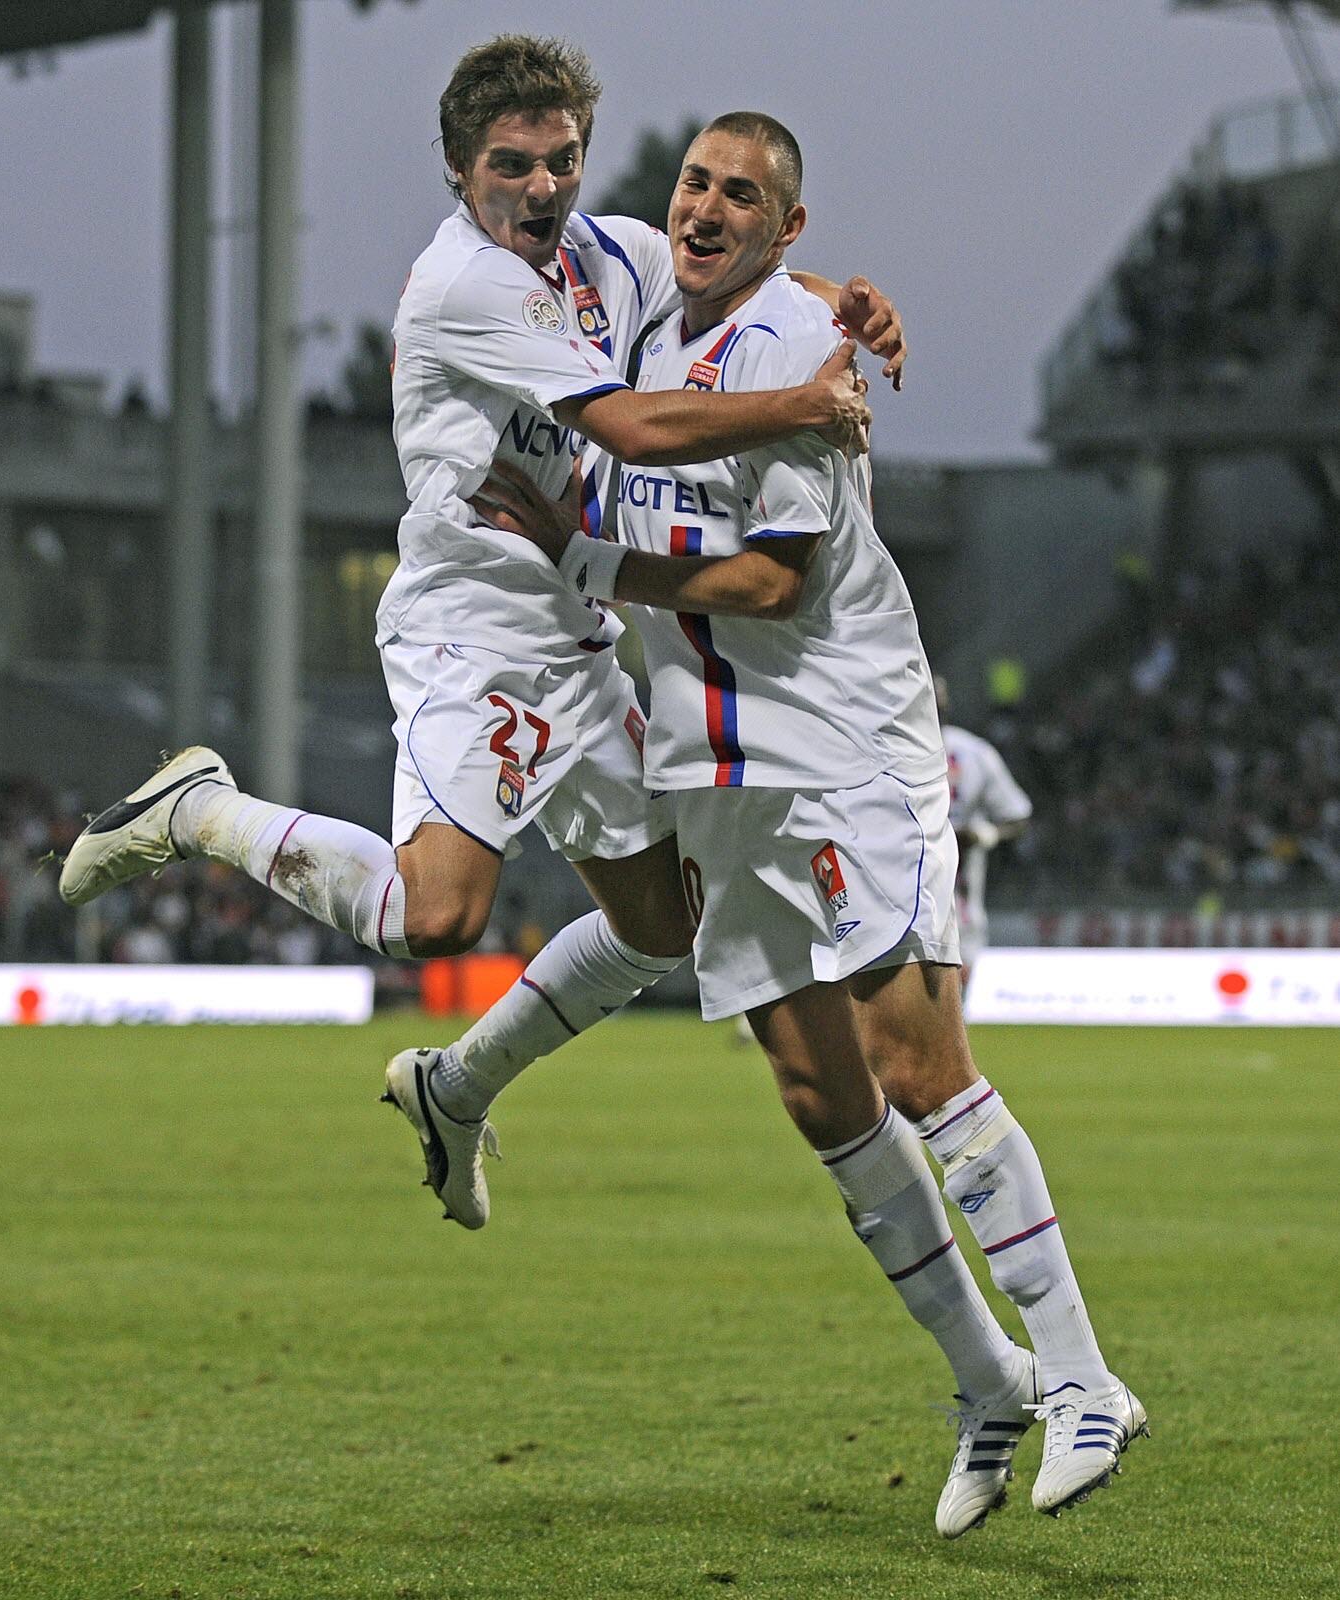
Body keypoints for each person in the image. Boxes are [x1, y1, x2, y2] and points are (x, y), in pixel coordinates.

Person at [58, 36, 900, 1224]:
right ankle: (200, 808)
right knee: (435, 917)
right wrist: (809, 399)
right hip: (473, 632)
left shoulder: (608, 253)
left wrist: (841, 299)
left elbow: (740, 282)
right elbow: (639, 430)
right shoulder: (464, 286)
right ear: (461, 170)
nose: (544, 187)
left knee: (662, 925)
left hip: (580, 628)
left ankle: (455, 1089)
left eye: (563, 161)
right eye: (513, 165)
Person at [469, 111, 1145, 1536]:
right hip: (718, 773)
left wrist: (575, 550)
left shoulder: (791, 356)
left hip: (837, 747)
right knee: (818, 1095)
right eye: (696, 185)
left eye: (745, 196)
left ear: (783, 225)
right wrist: (844, 280)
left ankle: (1084, 1378)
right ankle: (989, 1384)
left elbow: (772, 587)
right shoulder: (655, 321)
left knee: (912, 1063)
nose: (707, 208)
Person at [936, 676, 1032, 991]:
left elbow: (1017, 815)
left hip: (961, 898)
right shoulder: (884, 752)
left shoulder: (974, 753)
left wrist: (983, 835)